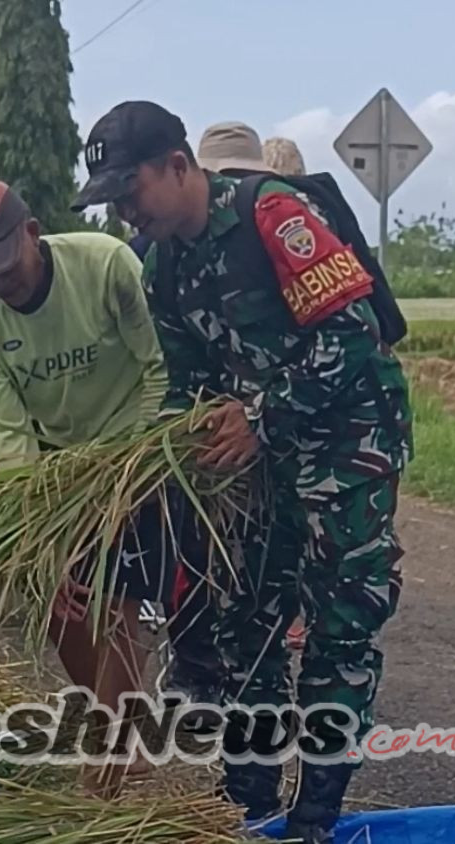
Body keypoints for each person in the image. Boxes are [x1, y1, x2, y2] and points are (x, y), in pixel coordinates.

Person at [72, 101, 413, 842]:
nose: (128, 211)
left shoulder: (272, 214)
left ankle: (316, 816)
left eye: (134, 192)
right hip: (261, 462)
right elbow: (185, 382)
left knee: (338, 625)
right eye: (115, 201)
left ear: (178, 166)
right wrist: (148, 457)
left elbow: (350, 336)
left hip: (346, 442)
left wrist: (260, 420)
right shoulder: (160, 264)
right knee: (244, 626)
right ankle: (248, 805)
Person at [0, 179, 219, 793]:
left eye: (4, 264)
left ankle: (113, 752)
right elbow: (10, 434)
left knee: (117, 596)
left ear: (33, 234)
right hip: (60, 467)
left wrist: (130, 462)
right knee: (59, 598)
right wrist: (44, 534)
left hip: (138, 449)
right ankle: (117, 717)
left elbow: (156, 365)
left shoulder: (105, 264)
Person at [196, 121, 310, 652]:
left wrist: (259, 417)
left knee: (339, 602)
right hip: (261, 442)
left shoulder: (284, 220)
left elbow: (352, 341)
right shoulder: (180, 251)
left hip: (325, 431)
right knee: (252, 598)